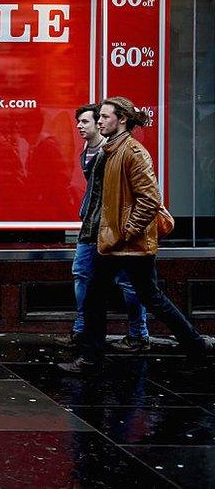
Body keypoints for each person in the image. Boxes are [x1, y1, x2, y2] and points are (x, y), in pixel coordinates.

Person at [59, 97, 214, 373]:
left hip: (128, 243)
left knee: (150, 297)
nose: (100, 121)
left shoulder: (133, 152)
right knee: (104, 296)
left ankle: (195, 344)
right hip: (112, 242)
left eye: (105, 117)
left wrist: (126, 232)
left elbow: (150, 199)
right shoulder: (111, 150)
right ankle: (92, 357)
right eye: (100, 117)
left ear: (122, 120)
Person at [57, 103, 149, 351]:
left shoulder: (117, 151)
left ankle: (138, 334)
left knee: (130, 283)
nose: (81, 126)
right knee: (83, 274)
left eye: (87, 121)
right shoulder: (90, 149)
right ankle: (83, 332)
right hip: (92, 224)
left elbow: (145, 198)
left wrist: (127, 230)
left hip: (113, 227)